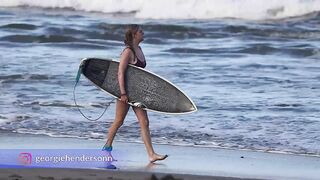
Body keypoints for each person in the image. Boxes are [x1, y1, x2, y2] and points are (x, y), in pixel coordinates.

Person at [102, 24, 168, 163]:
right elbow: (120, 72)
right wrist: (123, 93)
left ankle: (151, 155)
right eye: (140, 31)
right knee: (119, 121)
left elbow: (140, 75)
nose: (143, 33)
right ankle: (106, 148)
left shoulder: (139, 49)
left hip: (137, 93)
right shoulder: (128, 51)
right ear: (134, 35)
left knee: (144, 122)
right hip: (124, 93)